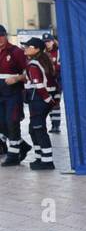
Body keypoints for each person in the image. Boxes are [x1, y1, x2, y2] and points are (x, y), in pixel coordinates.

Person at [21, 37, 55, 170]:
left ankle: (47, 161)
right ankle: (40, 157)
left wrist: (48, 100)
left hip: (38, 100)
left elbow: (39, 85)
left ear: (36, 49)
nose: (25, 48)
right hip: (40, 100)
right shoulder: (41, 61)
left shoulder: (33, 64)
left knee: (38, 129)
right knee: (33, 129)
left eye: (28, 46)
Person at [0, 26, 31, 166]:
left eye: (1, 35)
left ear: (5, 35)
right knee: (1, 124)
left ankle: (13, 155)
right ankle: (22, 146)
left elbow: (29, 73)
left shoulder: (16, 52)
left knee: (12, 121)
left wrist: (17, 78)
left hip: (13, 93)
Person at [43, 33, 61, 134]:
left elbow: (60, 66)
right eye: (45, 42)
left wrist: (52, 68)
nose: (47, 44)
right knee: (49, 102)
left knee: (56, 102)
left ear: (53, 41)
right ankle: (52, 123)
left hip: (57, 81)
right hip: (46, 81)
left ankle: (56, 125)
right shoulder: (42, 52)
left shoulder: (58, 51)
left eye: (48, 41)